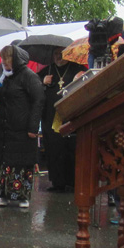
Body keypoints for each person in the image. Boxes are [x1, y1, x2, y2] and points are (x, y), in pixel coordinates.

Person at [0, 45, 44, 208]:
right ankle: (2, 194)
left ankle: (21, 196)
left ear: (15, 59)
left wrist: (33, 127)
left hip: (21, 127)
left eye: (7, 58)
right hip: (2, 126)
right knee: (2, 161)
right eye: (2, 58)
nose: (4, 61)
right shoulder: (3, 74)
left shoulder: (28, 76)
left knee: (19, 161)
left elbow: (38, 100)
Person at [38, 47, 86, 192]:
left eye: (62, 54)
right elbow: (33, 88)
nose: (59, 57)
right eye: (56, 54)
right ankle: (57, 182)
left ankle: (73, 182)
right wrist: (42, 82)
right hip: (50, 117)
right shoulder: (45, 71)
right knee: (53, 150)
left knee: (71, 150)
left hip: (71, 117)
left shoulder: (78, 69)